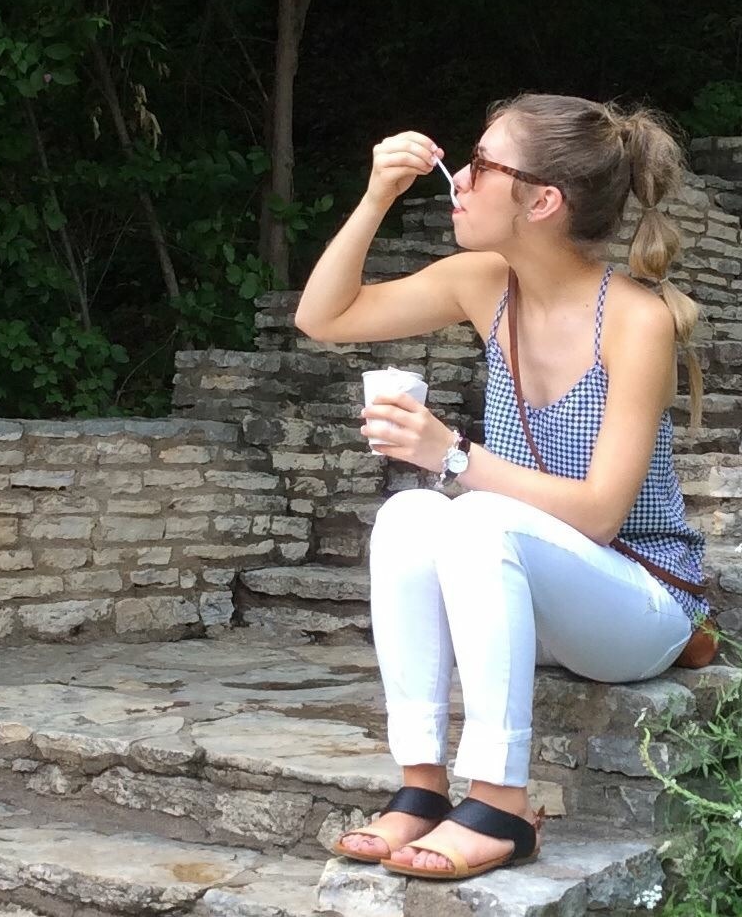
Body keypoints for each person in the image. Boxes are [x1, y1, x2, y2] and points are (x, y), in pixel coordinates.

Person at [293, 94, 709, 882]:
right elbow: (323, 316)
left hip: (640, 597)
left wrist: (452, 453)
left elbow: (601, 513)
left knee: (476, 514)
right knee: (409, 515)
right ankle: (421, 787)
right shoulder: (485, 283)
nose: (460, 177)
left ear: (542, 201)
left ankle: (500, 804)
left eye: (482, 164)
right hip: (535, 588)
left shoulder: (636, 319)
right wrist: (376, 195)